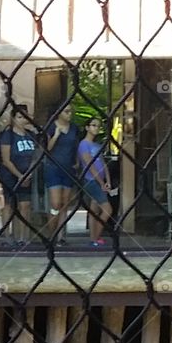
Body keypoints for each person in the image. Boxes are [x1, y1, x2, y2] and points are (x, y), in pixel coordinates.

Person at [0, 104, 40, 247]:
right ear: (13, 118)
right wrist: (19, 175)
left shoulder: (31, 134)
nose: (23, 120)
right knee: (9, 204)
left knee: (25, 205)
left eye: (25, 117)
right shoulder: (8, 135)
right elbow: (6, 159)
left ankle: (23, 237)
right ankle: (7, 236)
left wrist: (28, 173)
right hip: (10, 174)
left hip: (27, 173)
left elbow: (35, 156)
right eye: (20, 117)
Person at [44, 103, 79, 244]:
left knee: (65, 203)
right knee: (55, 203)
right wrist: (56, 135)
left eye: (71, 111)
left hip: (68, 168)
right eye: (66, 111)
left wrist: (77, 162)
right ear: (59, 112)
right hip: (53, 168)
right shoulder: (51, 127)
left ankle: (61, 236)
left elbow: (75, 146)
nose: (69, 114)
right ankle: (52, 233)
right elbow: (47, 149)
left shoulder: (74, 128)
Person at [77, 117, 113, 247]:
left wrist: (107, 180)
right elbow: (89, 164)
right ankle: (96, 237)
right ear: (87, 127)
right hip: (91, 180)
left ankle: (93, 239)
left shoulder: (97, 145)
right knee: (108, 209)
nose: (96, 128)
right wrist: (101, 182)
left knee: (95, 210)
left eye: (98, 126)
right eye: (93, 125)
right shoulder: (83, 144)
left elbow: (103, 164)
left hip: (100, 180)